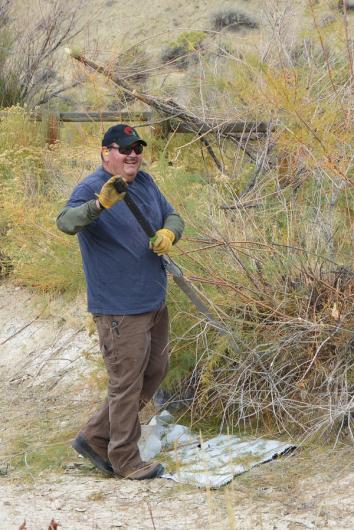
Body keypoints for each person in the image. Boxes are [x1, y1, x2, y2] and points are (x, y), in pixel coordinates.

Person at [56, 124, 184, 480]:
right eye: (124, 148)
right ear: (105, 152)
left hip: (152, 300)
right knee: (126, 383)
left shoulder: (146, 182)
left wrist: (169, 232)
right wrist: (99, 204)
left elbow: (173, 214)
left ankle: (95, 437)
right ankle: (125, 459)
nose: (133, 155)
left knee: (154, 372)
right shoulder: (90, 187)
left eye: (137, 148)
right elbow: (65, 222)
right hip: (118, 307)